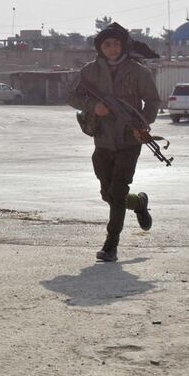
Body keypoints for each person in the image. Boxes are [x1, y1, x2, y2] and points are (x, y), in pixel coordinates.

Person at [67, 23, 161, 262]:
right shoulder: (90, 72)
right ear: (100, 47)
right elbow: (71, 95)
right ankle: (139, 203)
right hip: (102, 140)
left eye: (116, 44)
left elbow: (152, 101)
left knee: (118, 191)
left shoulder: (138, 72)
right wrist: (93, 106)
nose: (112, 48)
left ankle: (111, 244)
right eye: (107, 44)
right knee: (108, 194)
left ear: (123, 46)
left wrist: (143, 125)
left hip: (130, 140)